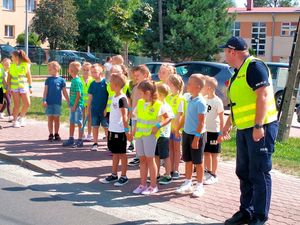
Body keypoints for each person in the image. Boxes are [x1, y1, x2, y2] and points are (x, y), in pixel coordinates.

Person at [220, 36, 278, 225]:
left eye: (225, 52)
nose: (224, 55)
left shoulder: (254, 67)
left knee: (259, 172)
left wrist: (258, 126)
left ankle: (260, 217)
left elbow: (262, 96)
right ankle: (247, 211)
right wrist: (227, 126)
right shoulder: (237, 72)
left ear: (232, 51)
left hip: (261, 128)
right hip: (245, 130)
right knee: (244, 171)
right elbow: (239, 105)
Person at [132, 80, 171, 195]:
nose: (139, 95)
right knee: (142, 160)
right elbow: (135, 118)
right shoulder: (140, 103)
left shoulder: (158, 104)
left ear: (148, 93)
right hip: (139, 135)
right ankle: (142, 184)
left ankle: (153, 185)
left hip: (150, 136)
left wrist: (158, 126)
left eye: (141, 93)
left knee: (150, 159)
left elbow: (168, 118)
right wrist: (133, 130)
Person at [175, 74, 207, 198]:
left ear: (198, 87)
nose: (187, 85)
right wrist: (178, 128)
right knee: (188, 160)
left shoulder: (201, 102)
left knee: (198, 162)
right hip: (187, 133)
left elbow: (201, 122)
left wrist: (196, 138)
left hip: (196, 135)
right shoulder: (188, 98)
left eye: (190, 83)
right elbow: (186, 117)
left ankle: (199, 185)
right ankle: (187, 182)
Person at [100, 73, 132, 186]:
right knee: (115, 153)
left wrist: (127, 131)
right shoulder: (113, 96)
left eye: (111, 83)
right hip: (112, 130)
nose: (109, 84)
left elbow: (125, 116)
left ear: (116, 85)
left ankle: (124, 176)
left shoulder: (122, 99)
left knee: (122, 154)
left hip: (120, 131)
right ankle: (114, 174)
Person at [201, 76, 224, 185]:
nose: (202, 88)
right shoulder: (203, 99)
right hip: (205, 131)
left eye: (203, 86)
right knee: (206, 152)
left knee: (214, 153)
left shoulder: (217, 101)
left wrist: (221, 132)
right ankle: (208, 171)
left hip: (214, 132)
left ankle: (214, 174)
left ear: (209, 88)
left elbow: (221, 118)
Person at [128, 65, 151, 167]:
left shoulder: (150, 87)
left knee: (144, 137)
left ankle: (145, 156)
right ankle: (138, 156)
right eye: (134, 75)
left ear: (145, 75)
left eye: (138, 75)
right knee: (137, 137)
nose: (135, 77)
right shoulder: (135, 87)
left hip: (144, 117)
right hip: (135, 116)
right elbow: (132, 102)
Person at [42, 61, 69, 141]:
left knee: (57, 118)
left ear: (56, 69)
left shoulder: (61, 80)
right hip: (49, 102)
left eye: (50, 69)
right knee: (50, 118)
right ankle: (50, 134)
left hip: (57, 103)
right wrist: (44, 100)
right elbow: (45, 91)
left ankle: (56, 133)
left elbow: (64, 91)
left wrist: (68, 100)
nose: (49, 71)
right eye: (48, 69)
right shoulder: (48, 80)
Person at [166, 73, 186, 180]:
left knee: (177, 150)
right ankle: (170, 169)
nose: (167, 86)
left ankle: (176, 169)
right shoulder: (168, 97)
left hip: (177, 130)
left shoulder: (180, 99)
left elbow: (180, 115)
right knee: (170, 149)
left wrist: (177, 129)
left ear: (173, 85)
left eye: (168, 84)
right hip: (168, 129)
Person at [6, 50, 32, 128]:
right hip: (14, 88)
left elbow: (29, 77)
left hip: (24, 87)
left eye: (12, 57)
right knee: (17, 105)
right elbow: (9, 79)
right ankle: (14, 121)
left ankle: (21, 117)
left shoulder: (26, 65)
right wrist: (8, 87)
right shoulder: (11, 66)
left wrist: (30, 87)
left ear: (17, 57)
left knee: (27, 104)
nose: (11, 58)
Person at [155, 83, 174, 185]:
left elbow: (169, 118)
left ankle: (168, 175)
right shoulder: (157, 105)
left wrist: (159, 125)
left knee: (165, 156)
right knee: (156, 155)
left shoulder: (165, 106)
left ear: (161, 94)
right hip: (156, 135)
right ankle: (156, 174)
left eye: (155, 92)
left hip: (163, 135)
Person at [62, 61, 84, 148]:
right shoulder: (74, 80)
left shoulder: (77, 81)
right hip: (73, 105)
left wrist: (74, 105)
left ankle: (80, 139)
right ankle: (71, 138)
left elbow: (79, 94)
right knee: (71, 122)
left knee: (79, 122)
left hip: (77, 105)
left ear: (71, 70)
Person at [87, 64, 108, 151]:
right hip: (94, 110)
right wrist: (88, 109)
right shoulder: (92, 84)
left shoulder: (106, 83)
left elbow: (109, 96)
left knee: (106, 127)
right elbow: (90, 98)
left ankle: (109, 144)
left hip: (104, 110)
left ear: (101, 72)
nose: (93, 74)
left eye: (95, 72)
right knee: (95, 126)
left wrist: (106, 108)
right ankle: (95, 143)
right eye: (92, 72)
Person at [80, 62, 93, 141]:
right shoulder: (79, 79)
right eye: (84, 70)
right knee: (82, 118)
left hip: (90, 103)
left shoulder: (92, 80)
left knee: (89, 118)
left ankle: (89, 134)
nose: (85, 71)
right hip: (81, 103)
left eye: (87, 70)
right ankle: (82, 134)